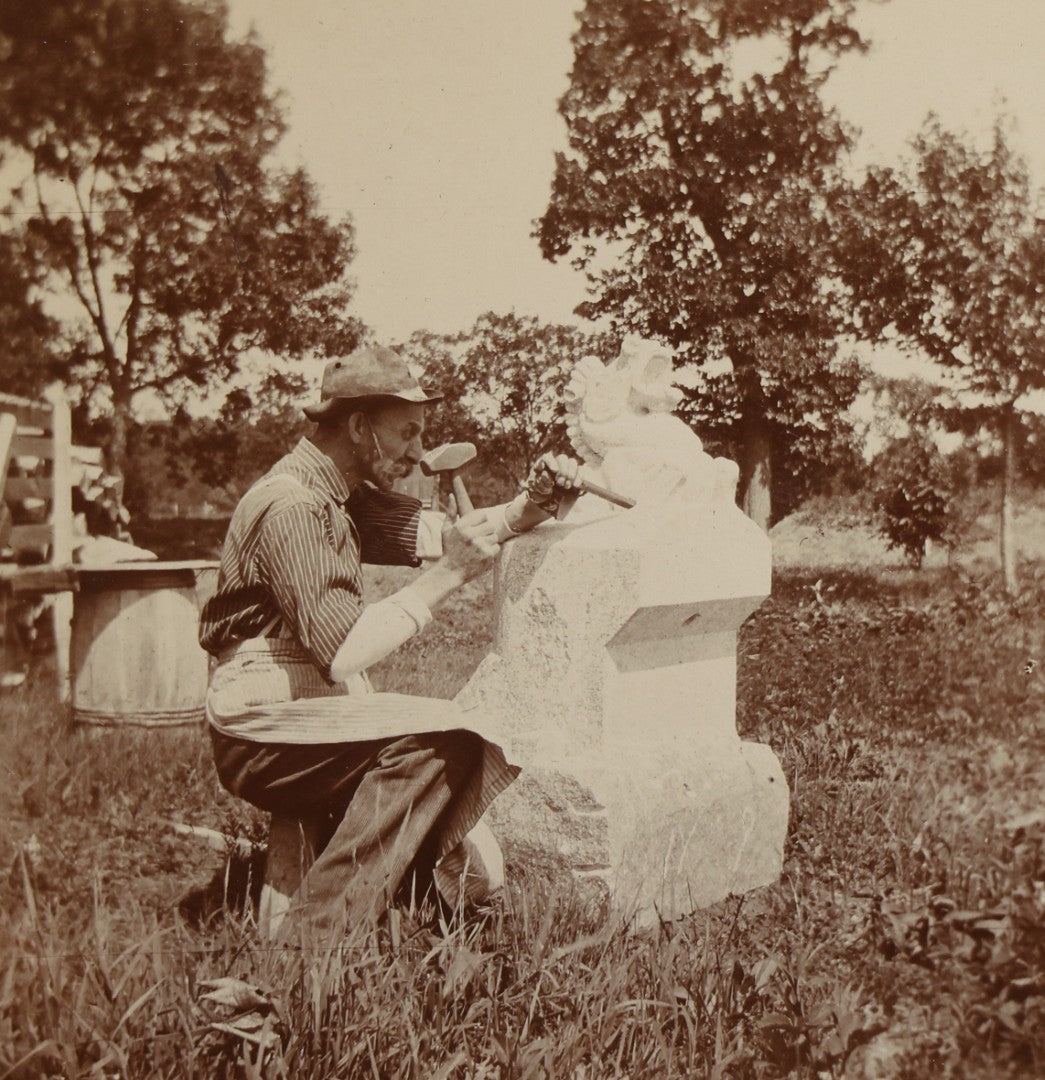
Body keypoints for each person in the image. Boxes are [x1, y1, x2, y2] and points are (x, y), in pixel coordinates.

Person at [198, 345, 579, 938]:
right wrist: (449, 575)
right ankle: (310, 943)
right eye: (407, 433)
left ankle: (386, 898)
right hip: (259, 729)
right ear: (358, 426)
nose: (418, 452)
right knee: (443, 743)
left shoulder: (338, 493)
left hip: (303, 710)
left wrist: (536, 501)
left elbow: (449, 534)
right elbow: (342, 653)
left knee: (456, 768)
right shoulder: (292, 505)